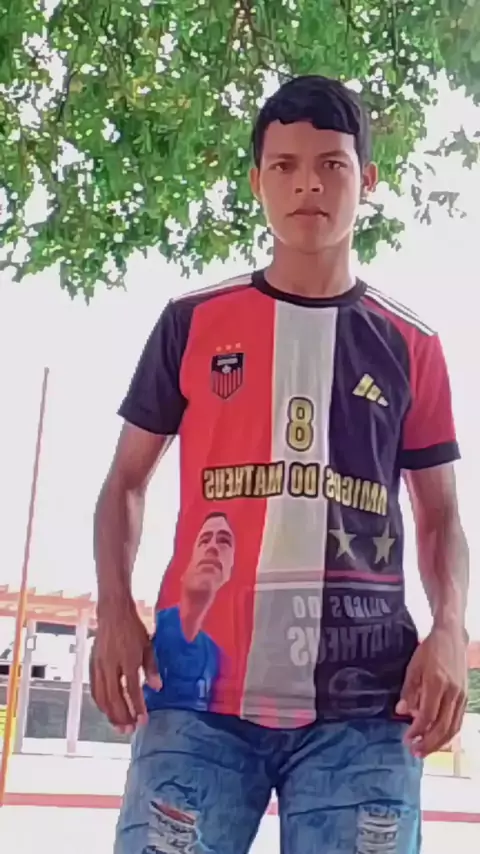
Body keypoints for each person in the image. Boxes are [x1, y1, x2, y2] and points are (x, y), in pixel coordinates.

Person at [91, 75, 469, 854]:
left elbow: (440, 516)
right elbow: (125, 482)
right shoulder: (192, 323)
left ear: (367, 179)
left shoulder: (412, 346)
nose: (308, 184)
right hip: (196, 695)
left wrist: (451, 629)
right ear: (256, 181)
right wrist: (114, 609)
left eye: (332, 164)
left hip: (368, 704)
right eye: (285, 165)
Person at [146, 511, 235, 712]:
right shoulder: (153, 627)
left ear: (229, 570)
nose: (212, 547)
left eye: (224, 541)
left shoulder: (215, 655)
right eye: (204, 540)